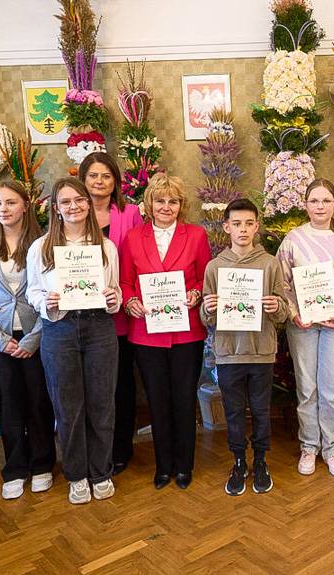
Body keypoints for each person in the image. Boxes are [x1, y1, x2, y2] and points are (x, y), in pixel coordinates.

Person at [26, 177, 122, 505]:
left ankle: (101, 472)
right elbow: (32, 291)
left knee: (102, 404)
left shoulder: (106, 247)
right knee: (67, 408)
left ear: (88, 204)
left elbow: (115, 289)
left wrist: (114, 298)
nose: (74, 206)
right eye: (66, 202)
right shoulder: (40, 248)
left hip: (99, 329)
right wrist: (46, 302)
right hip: (59, 329)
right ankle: (77, 475)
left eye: (79, 200)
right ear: (56, 208)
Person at [120, 173, 211, 490]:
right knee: (157, 400)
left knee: (184, 399)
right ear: (149, 204)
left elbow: (205, 277)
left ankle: (184, 466)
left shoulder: (196, 235)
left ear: (181, 205)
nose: (166, 206)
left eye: (173, 201)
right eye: (160, 200)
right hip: (147, 332)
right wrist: (130, 301)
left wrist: (196, 293)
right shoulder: (133, 237)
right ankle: (163, 466)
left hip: (187, 332)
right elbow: (125, 281)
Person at [0, 180, 56, 500]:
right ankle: (15, 467)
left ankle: (43, 464)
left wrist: (33, 339)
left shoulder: (43, 245)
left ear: (25, 206)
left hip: (37, 336)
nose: (3, 209)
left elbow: (52, 294)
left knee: (38, 401)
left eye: (10, 202)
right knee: (9, 404)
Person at [277, 178, 334, 477]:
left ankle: (332, 448)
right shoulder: (293, 240)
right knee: (307, 389)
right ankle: (309, 446)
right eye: (314, 201)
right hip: (303, 326)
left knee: (331, 391)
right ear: (305, 205)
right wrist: (293, 314)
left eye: (326, 201)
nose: (320, 206)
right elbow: (281, 283)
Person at [200, 198, 289, 495]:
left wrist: (277, 306)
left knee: (261, 411)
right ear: (226, 227)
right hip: (228, 353)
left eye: (249, 223)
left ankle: (260, 460)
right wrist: (208, 308)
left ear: (256, 227)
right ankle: (239, 461)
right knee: (234, 411)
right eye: (236, 223)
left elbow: (283, 312)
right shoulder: (215, 267)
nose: (243, 229)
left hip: (261, 352)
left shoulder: (270, 263)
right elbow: (205, 317)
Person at [79, 152, 144, 475]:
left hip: (120, 317)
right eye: (93, 175)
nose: (99, 181)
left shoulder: (130, 213)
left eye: (106, 176)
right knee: (86, 387)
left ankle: (120, 449)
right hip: (79, 317)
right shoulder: (72, 210)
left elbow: (140, 259)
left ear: (116, 181)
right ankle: (90, 449)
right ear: (83, 179)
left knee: (120, 385)